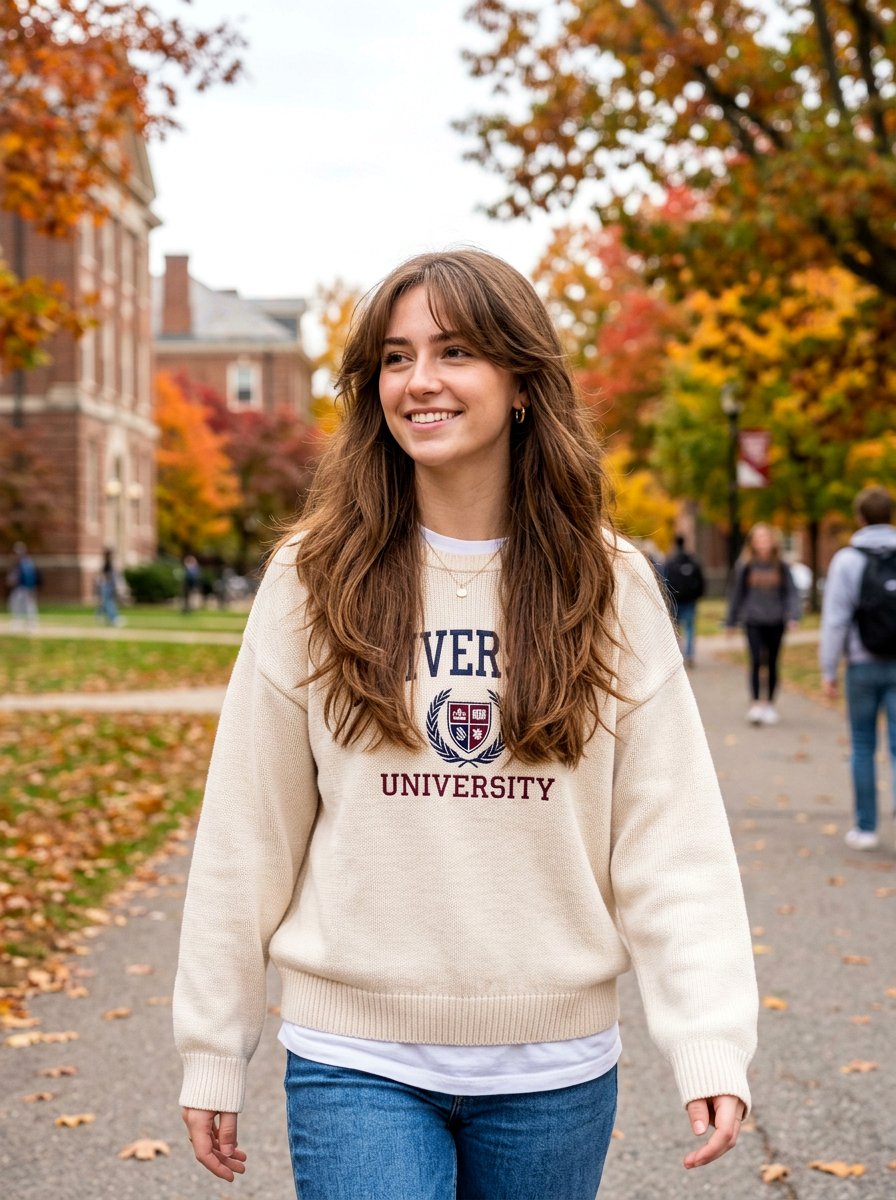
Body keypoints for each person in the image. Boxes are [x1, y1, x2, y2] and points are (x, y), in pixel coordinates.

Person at [174, 250, 757, 1199]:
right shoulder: (312, 578)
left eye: (455, 352)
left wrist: (709, 1037)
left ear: (521, 380)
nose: (421, 381)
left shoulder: (608, 586)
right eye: (396, 358)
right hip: (355, 1057)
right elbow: (248, 833)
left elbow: (672, 839)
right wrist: (211, 1043)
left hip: (554, 1070)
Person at [820, 486, 896, 851]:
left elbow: (836, 620)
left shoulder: (847, 560)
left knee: (863, 745)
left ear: (860, 518)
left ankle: (866, 829)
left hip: (862, 665)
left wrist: (828, 669)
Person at [725, 524, 801, 725]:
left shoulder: (781, 566)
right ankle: (756, 704)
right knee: (756, 660)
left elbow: (791, 592)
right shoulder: (746, 565)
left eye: (766, 538)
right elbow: (737, 594)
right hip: (753, 620)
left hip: (776, 620)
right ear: (753, 542)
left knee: (773, 663)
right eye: (759, 539)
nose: (763, 543)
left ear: (772, 541)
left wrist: (794, 615)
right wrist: (731, 621)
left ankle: (769, 705)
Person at [662, 533, 705, 667]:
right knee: (690, 628)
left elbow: (664, 581)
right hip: (690, 600)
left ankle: (677, 655)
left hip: (675, 600)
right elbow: (701, 581)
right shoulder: (692, 560)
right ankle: (689, 654)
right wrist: (697, 595)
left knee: (676, 629)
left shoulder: (670, 561)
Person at [7, 541, 40, 631]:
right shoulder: (18, 563)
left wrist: (30, 588)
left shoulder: (26, 562)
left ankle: (32, 624)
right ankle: (19, 622)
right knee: (15, 604)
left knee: (28, 605)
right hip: (19, 588)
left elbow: (29, 577)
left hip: (25, 587)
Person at [96, 548, 122, 626]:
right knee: (108, 603)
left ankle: (101, 616)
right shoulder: (108, 564)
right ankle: (113, 618)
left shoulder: (110, 564)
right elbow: (105, 576)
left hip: (109, 586)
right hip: (107, 586)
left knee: (107, 603)